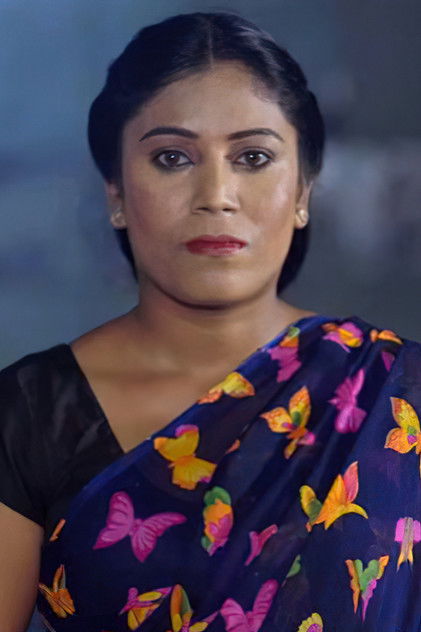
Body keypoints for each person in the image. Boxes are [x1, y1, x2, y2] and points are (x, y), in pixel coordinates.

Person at [0, 10, 420, 632]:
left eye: (253, 156)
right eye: (172, 157)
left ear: (303, 191)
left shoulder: (398, 392)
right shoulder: (31, 413)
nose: (216, 195)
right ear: (116, 192)